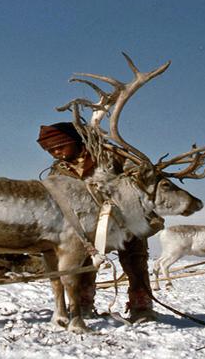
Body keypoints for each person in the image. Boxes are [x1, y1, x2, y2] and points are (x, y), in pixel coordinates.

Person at [37, 122, 156, 322]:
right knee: (83, 263)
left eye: (60, 146)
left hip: (126, 219)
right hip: (88, 227)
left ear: (75, 142)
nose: (56, 152)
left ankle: (142, 306)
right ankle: (83, 304)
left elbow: (143, 176)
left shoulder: (110, 156)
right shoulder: (58, 172)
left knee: (135, 260)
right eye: (51, 149)